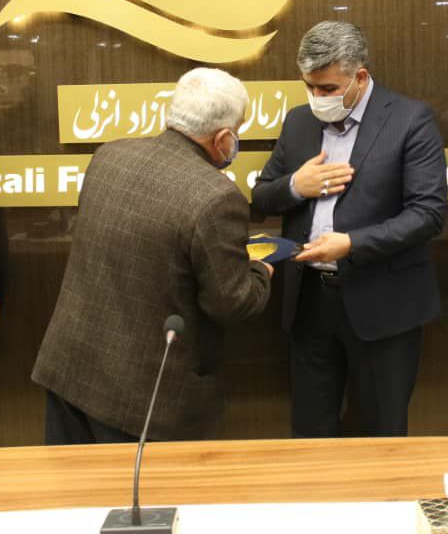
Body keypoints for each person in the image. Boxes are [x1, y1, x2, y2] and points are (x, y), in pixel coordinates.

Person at [32, 67, 272, 444]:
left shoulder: (109, 155)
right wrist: (259, 273)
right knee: (141, 486)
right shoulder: (216, 197)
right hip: (141, 402)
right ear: (223, 137)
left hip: (70, 370)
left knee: (73, 484)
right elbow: (231, 302)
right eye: (237, 132)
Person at [252, 21, 447, 438]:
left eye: (328, 89)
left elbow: (428, 214)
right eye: (310, 87)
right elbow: (262, 197)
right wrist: (295, 185)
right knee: (311, 432)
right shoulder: (298, 122)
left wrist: (351, 244)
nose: (317, 98)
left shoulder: (410, 120)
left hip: (382, 303)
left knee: (381, 433)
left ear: (360, 77)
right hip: (309, 304)